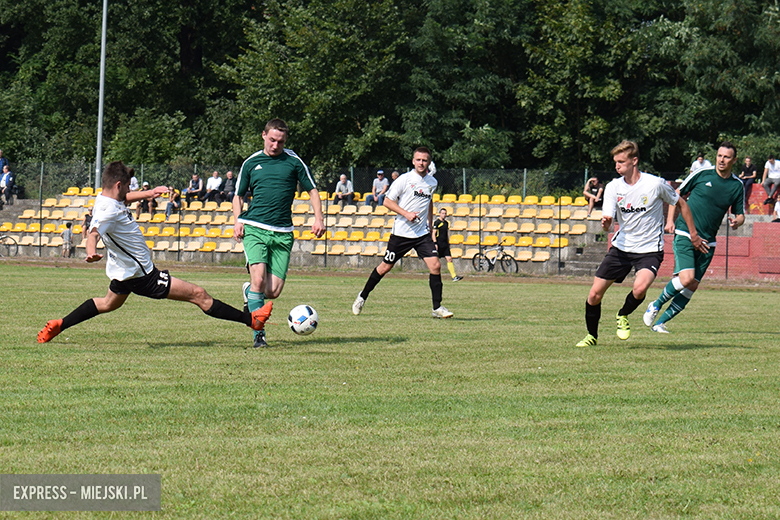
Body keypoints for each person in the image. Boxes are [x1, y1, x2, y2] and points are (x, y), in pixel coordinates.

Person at [37, 161, 269, 344]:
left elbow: (124, 199)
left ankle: (60, 324)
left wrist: (149, 194)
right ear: (118, 184)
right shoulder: (106, 211)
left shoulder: (104, 197)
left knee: (107, 304)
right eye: (128, 185)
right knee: (198, 294)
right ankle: (251, 320)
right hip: (142, 276)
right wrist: (90, 252)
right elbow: (93, 234)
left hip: (123, 272)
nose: (130, 190)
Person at [575, 140, 703, 348]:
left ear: (634, 161)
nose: (617, 166)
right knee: (594, 294)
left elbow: (681, 203)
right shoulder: (613, 187)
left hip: (650, 250)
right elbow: (607, 225)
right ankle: (591, 336)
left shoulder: (655, 184)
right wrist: (606, 223)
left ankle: (623, 315)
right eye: (615, 162)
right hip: (622, 248)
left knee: (640, 288)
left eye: (621, 161)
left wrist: (694, 234)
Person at [234, 118, 325, 348]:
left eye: (280, 142)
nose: (275, 145)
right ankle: (258, 335)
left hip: (283, 232)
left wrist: (319, 218)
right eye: (272, 140)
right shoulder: (251, 163)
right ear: (264, 135)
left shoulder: (294, 162)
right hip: (255, 228)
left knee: (272, 291)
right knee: (258, 280)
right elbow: (238, 195)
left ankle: (249, 293)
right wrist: (237, 220)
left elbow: (312, 190)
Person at [643, 141, 745, 333]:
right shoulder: (702, 174)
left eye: (727, 157)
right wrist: (670, 220)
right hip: (685, 233)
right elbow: (676, 194)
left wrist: (737, 222)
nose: (722, 160)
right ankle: (655, 305)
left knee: (692, 285)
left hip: (709, 241)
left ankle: (660, 323)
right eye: (720, 155)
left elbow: (740, 214)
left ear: (734, 160)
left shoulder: (737, 186)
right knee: (687, 278)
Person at [352, 147, 454, 319]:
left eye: (425, 160)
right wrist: (406, 214)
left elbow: (429, 202)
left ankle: (437, 307)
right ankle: (362, 297)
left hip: (421, 235)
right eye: (418, 160)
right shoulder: (404, 179)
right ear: (413, 161)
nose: (421, 163)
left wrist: (429, 226)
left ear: (429, 163)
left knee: (436, 266)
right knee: (385, 267)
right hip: (401, 234)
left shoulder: (432, 182)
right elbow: (387, 201)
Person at [432, 208, 463, 282]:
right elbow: (433, 233)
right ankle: (432, 276)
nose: (444, 215)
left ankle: (454, 276)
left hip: (445, 244)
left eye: (445, 213)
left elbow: (446, 234)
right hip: (439, 244)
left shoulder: (446, 223)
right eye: (442, 213)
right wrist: (435, 243)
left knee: (449, 259)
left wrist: (448, 242)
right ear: (439, 214)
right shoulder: (437, 222)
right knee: (435, 262)